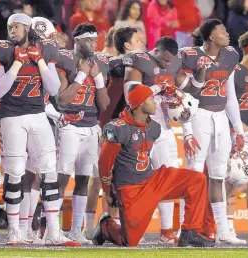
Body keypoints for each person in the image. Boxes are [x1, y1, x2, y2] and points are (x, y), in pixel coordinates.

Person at [0, 13, 79, 246]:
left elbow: (54, 87)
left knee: (49, 170)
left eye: (16, 26)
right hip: (12, 116)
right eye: (9, 26)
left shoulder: (45, 49)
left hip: (38, 114)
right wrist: (18, 62)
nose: (12, 30)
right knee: (16, 171)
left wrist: (37, 61)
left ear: (27, 27)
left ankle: (54, 232)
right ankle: (15, 231)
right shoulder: (1, 50)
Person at [93, 84, 214, 247]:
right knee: (129, 241)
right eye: (151, 99)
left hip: (151, 180)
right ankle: (106, 226)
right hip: (131, 189)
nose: (155, 102)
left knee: (197, 180)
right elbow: (104, 163)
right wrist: (108, 191)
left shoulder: (154, 127)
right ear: (140, 103)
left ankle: (190, 232)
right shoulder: (117, 128)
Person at [123, 36, 202, 244]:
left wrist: (188, 133)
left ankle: (167, 230)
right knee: (135, 179)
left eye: (170, 61)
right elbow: (130, 96)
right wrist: (159, 89)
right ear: (155, 50)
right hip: (139, 128)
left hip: (164, 129)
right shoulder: (140, 60)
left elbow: (185, 97)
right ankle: (130, 228)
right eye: (164, 59)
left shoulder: (175, 62)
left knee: (169, 179)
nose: (167, 64)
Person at [179, 18, 246, 244]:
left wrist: (237, 128)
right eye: (222, 31)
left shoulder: (230, 55)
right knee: (194, 175)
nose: (227, 34)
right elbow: (184, 97)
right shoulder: (189, 55)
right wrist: (187, 131)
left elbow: (230, 96)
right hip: (198, 115)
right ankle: (186, 227)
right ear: (210, 36)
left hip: (220, 118)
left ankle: (223, 230)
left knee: (218, 175)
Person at [83, 26, 145, 241]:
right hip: (110, 125)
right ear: (127, 45)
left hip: (123, 126)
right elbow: (108, 101)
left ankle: (113, 227)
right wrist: (103, 127)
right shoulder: (116, 64)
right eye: (138, 40)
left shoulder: (131, 64)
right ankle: (92, 227)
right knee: (99, 178)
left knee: (119, 180)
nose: (142, 44)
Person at [55, 23, 110, 244]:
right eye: (88, 40)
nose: (93, 45)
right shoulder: (65, 59)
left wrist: (96, 79)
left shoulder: (100, 64)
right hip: (68, 124)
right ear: (77, 40)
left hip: (90, 125)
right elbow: (62, 99)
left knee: (83, 179)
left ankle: (76, 229)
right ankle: (51, 228)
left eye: (95, 40)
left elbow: (104, 104)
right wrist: (81, 76)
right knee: (61, 177)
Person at [224, 31, 248, 244]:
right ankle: (227, 229)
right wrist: (239, 130)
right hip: (239, 134)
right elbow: (224, 104)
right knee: (234, 183)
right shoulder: (235, 72)